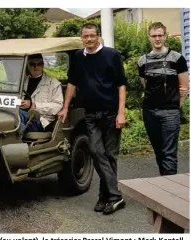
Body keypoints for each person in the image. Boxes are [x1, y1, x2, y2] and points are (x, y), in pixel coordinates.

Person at [57, 23, 127, 215]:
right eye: (85, 36)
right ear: (81, 38)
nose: (89, 39)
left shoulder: (112, 55)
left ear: (98, 36)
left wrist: (121, 113)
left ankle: (106, 196)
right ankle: (115, 195)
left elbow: (121, 85)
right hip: (91, 114)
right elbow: (72, 83)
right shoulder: (79, 57)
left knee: (110, 155)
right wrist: (65, 107)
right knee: (96, 152)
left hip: (111, 113)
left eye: (92, 36)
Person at [137, 22, 189, 176]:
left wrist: (175, 106)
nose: (157, 38)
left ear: (165, 36)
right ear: (149, 38)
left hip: (170, 112)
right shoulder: (142, 61)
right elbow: (145, 85)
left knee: (169, 153)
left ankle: (170, 190)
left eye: (160, 35)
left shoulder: (177, 58)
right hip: (150, 112)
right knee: (159, 151)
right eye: (154, 36)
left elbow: (184, 87)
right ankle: (164, 182)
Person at [20, 53, 63, 133]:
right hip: (22, 117)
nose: (36, 67)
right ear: (28, 65)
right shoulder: (21, 82)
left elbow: (57, 106)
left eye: (39, 64)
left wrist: (34, 105)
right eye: (32, 64)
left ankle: (17, 139)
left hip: (42, 121)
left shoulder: (53, 83)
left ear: (43, 65)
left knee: (18, 115)